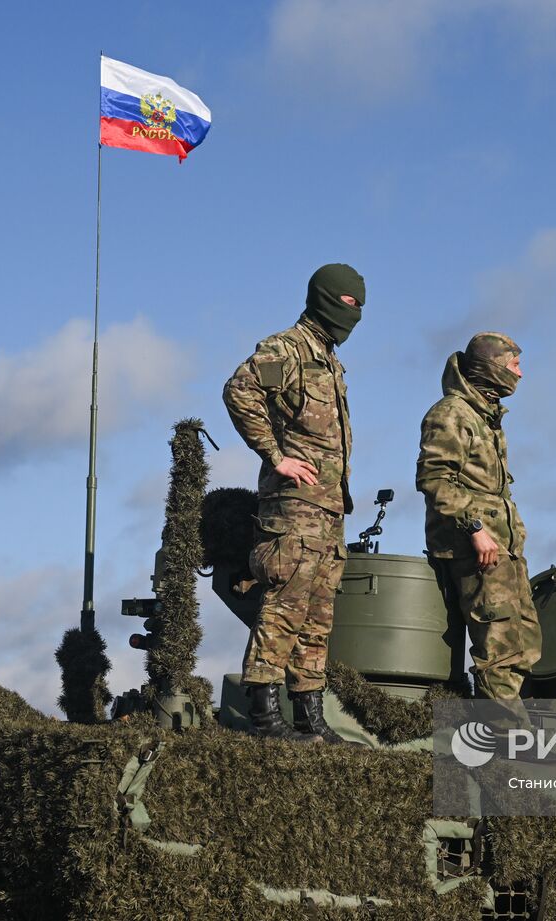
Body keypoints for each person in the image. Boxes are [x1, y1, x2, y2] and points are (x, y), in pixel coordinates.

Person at [222, 263, 364, 742]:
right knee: (284, 606)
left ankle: (310, 716)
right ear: (325, 298)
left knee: (317, 616)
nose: (355, 313)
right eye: (349, 302)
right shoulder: (287, 348)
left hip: (328, 510)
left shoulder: (328, 358)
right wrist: (276, 456)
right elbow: (240, 390)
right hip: (293, 509)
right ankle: (264, 713)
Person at [416, 332, 541, 700]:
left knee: (524, 642)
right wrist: (475, 528)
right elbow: (434, 477)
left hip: (502, 549)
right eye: (514, 365)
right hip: (474, 549)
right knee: (499, 650)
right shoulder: (452, 414)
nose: (520, 374)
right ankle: (504, 744)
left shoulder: (484, 416)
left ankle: (507, 736)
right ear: (490, 368)